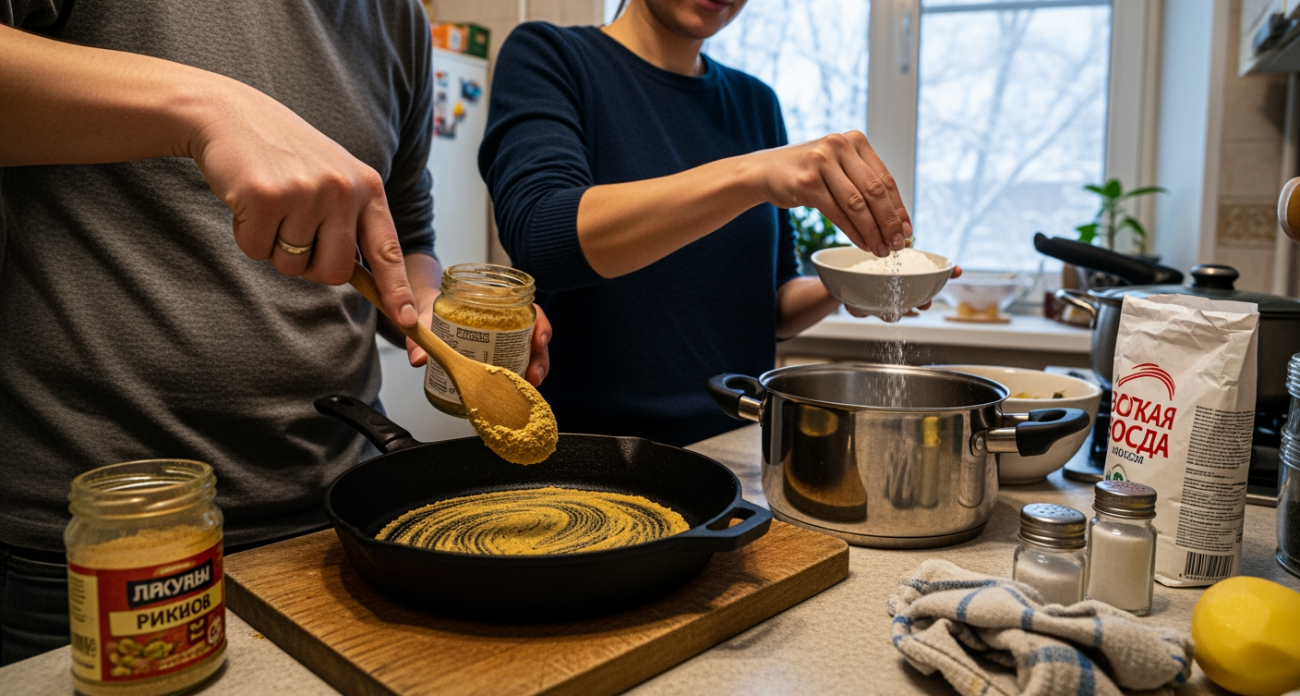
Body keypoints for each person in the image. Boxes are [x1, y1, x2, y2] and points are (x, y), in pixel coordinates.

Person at [0, 0, 549, 664]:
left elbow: (404, 233)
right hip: (106, 538)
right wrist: (203, 108)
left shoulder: (399, 17)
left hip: (341, 518)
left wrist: (427, 305)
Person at [479, 0, 956, 447]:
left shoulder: (755, 103)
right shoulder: (550, 56)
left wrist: (850, 282)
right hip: (591, 455)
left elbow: (773, 303)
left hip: (736, 448)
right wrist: (753, 173)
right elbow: (544, 235)